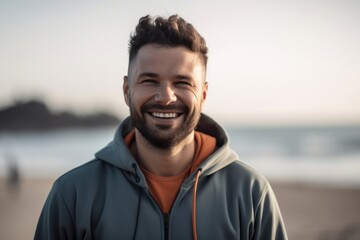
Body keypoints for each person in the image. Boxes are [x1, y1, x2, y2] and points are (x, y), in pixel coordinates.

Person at [35, 15, 288, 240]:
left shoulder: (251, 193)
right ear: (126, 90)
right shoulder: (73, 195)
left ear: (203, 94)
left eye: (182, 82)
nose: (166, 97)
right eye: (149, 80)